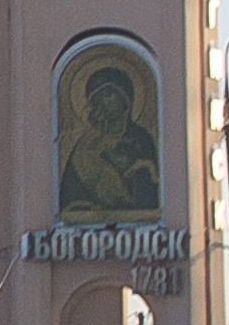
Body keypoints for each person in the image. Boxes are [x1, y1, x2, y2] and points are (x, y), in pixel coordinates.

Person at [59, 63, 161, 219]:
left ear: (124, 96)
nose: (103, 103)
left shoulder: (140, 139)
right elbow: (71, 192)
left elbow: (148, 189)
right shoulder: (86, 144)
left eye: (108, 95)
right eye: (97, 99)